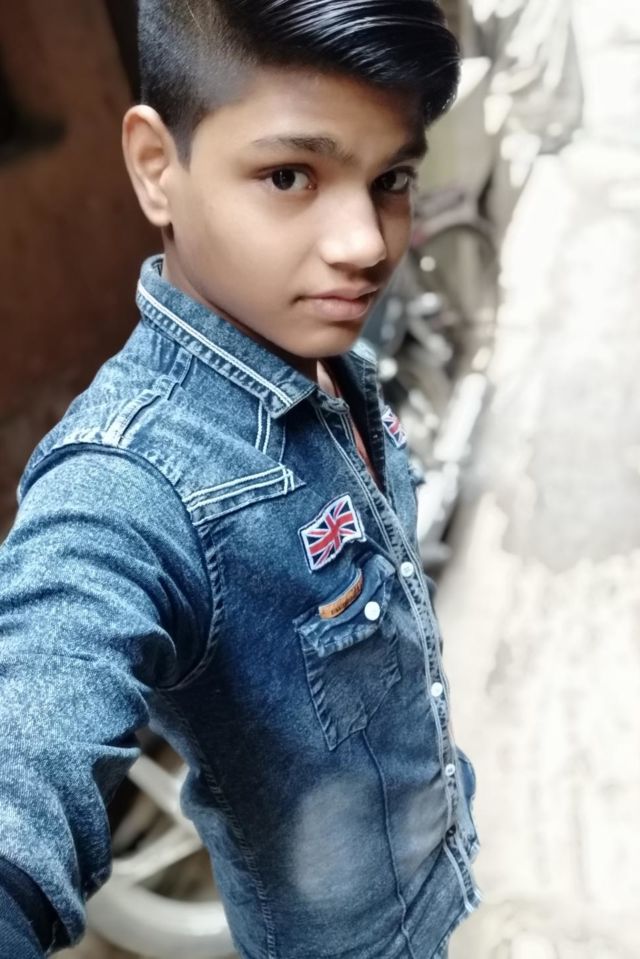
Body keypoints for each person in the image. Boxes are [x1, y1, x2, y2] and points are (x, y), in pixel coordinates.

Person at [0, 1, 481, 956]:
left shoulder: (321, 350)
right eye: (290, 175)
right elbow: (31, 734)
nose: (365, 243)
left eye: (390, 179)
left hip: (448, 876)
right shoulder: (131, 481)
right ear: (156, 166)